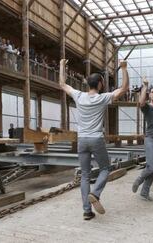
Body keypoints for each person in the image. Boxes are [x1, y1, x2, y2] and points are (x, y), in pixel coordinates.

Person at [59, 59, 129, 220]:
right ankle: (95, 193)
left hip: (82, 140)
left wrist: (62, 66)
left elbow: (62, 84)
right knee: (105, 168)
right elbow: (124, 88)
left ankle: (86, 211)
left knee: (85, 174)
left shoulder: (79, 96)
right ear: (99, 84)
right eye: (103, 82)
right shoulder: (103, 98)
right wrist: (124, 68)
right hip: (96, 139)